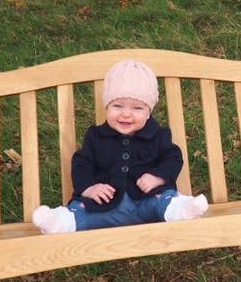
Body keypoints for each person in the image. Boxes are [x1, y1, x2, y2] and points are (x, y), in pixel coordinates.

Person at [32, 59, 208, 234]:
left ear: (149, 112)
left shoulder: (158, 135)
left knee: (166, 201)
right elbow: (82, 164)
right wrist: (90, 188)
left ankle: (183, 211)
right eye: (117, 106)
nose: (126, 114)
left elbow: (173, 158)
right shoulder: (96, 136)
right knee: (81, 212)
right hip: (105, 207)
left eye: (137, 108)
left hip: (148, 203)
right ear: (107, 106)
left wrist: (157, 178)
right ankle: (59, 223)